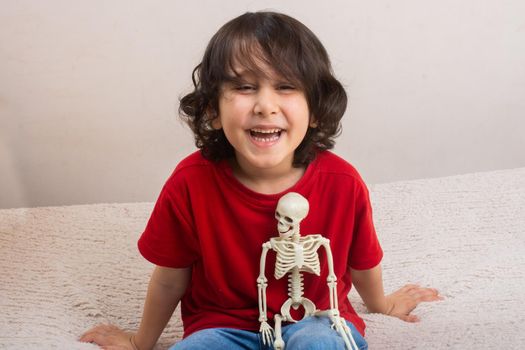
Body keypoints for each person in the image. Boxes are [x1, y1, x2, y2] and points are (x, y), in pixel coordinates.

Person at [80, 11, 442, 350]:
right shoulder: (190, 183)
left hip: (317, 317)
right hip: (222, 326)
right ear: (213, 110)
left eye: (285, 86)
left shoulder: (342, 182)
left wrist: (382, 304)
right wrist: (141, 341)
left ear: (315, 110)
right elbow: (171, 277)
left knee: (321, 341)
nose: (265, 105)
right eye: (244, 87)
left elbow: (361, 262)